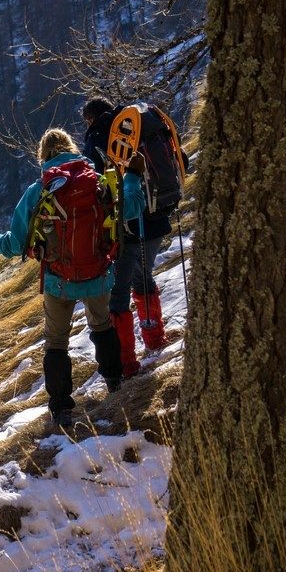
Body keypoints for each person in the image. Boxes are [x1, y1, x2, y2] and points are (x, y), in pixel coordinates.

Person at [0, 128, 145, 429]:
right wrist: (132, 177)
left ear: (43, 155)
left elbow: (16, 243)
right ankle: (114, 381)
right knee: (103, 325)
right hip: (97, 271)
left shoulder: (39, 191)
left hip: (58, 280)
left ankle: (61, 409)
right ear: (72, 148)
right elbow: (132, 208)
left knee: (56, 342)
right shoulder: (98, 180)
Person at [81, 97, 188, 378]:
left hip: (126, 224)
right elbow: (181, 158)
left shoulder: (98, 136)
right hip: (159, 213)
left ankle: (126, 362)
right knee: (144, 277)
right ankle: (154, 338)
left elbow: (94, 185)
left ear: (91, 119)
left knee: (118, 294)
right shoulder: (142, 122)